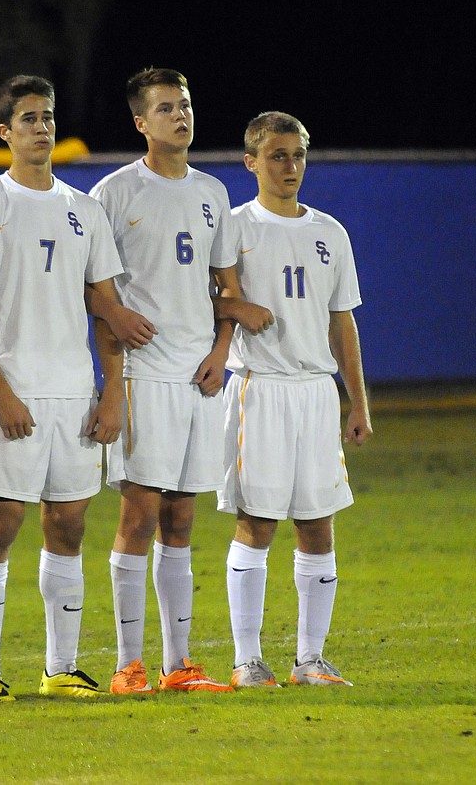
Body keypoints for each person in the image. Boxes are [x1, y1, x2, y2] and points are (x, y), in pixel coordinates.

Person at [89, 68, 273, 694]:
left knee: (183, 519)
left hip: (200, 376)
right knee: (139, 515)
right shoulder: (113, 194)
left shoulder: (212, 193)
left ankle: (178, 665)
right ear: (141, 123)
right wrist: (112, 382)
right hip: (145, 374)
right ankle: (126, 665)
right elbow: (100, 295)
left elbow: (228, 288)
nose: (180, 116)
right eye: (165, 108)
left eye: (186, 105)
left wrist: (223, 349)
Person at [0, 75, 133, 701]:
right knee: (1, 522)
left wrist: (113, 393)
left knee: (70, 525)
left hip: (75, 393)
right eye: (28, 118)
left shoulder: (85, 211)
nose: (42, 127)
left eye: (48, 116)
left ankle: (61, 667)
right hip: (13, 393)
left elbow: (106, 311)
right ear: (5, 132)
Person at [217, 111, 372, 688]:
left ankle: (309, 660)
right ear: (251, 162)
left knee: (317, 524)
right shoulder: (234, 228)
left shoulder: (330, 232)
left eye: (298, 155)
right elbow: (200, 302)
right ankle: (246, 661)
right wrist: (235, 310)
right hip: (260, 389)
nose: (290, 167)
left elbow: (342, 322)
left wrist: (356, 403)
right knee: (257, 523)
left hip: (314, 394)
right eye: (277, 155)